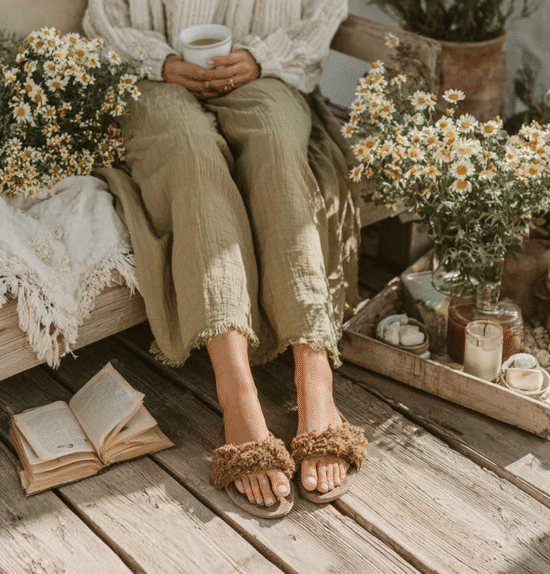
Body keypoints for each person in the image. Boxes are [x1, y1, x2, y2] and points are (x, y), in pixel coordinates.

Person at [84, 0, 367, 518]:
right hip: (153, 83)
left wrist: (261, 56)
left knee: (278, 155)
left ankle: (315, 381)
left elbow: (325, 11)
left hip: (269, 77)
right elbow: (102, 22)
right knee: (191, 161)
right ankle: (237, 398)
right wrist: (160, 62)